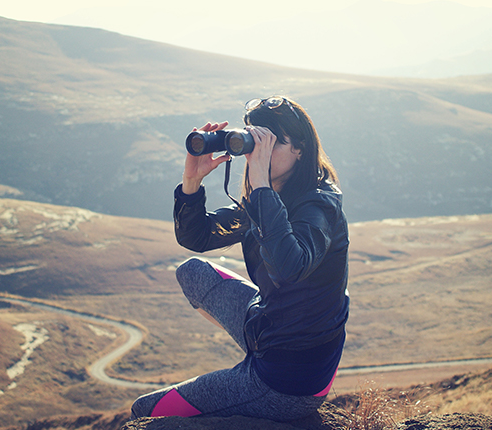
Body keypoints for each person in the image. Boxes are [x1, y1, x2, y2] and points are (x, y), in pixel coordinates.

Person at [131, 96, 349, 422]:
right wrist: (192, 182)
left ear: (300, 149)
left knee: (145, 411)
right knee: (192, 272)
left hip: (290, 379)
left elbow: (290, 268)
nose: (257, 155)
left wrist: (260, 183)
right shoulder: (273, 195)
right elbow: (198, 237)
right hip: (272, 326)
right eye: (253, 142)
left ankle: (251, 381)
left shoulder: (318, 207)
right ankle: (253, 360)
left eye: (271, 144)